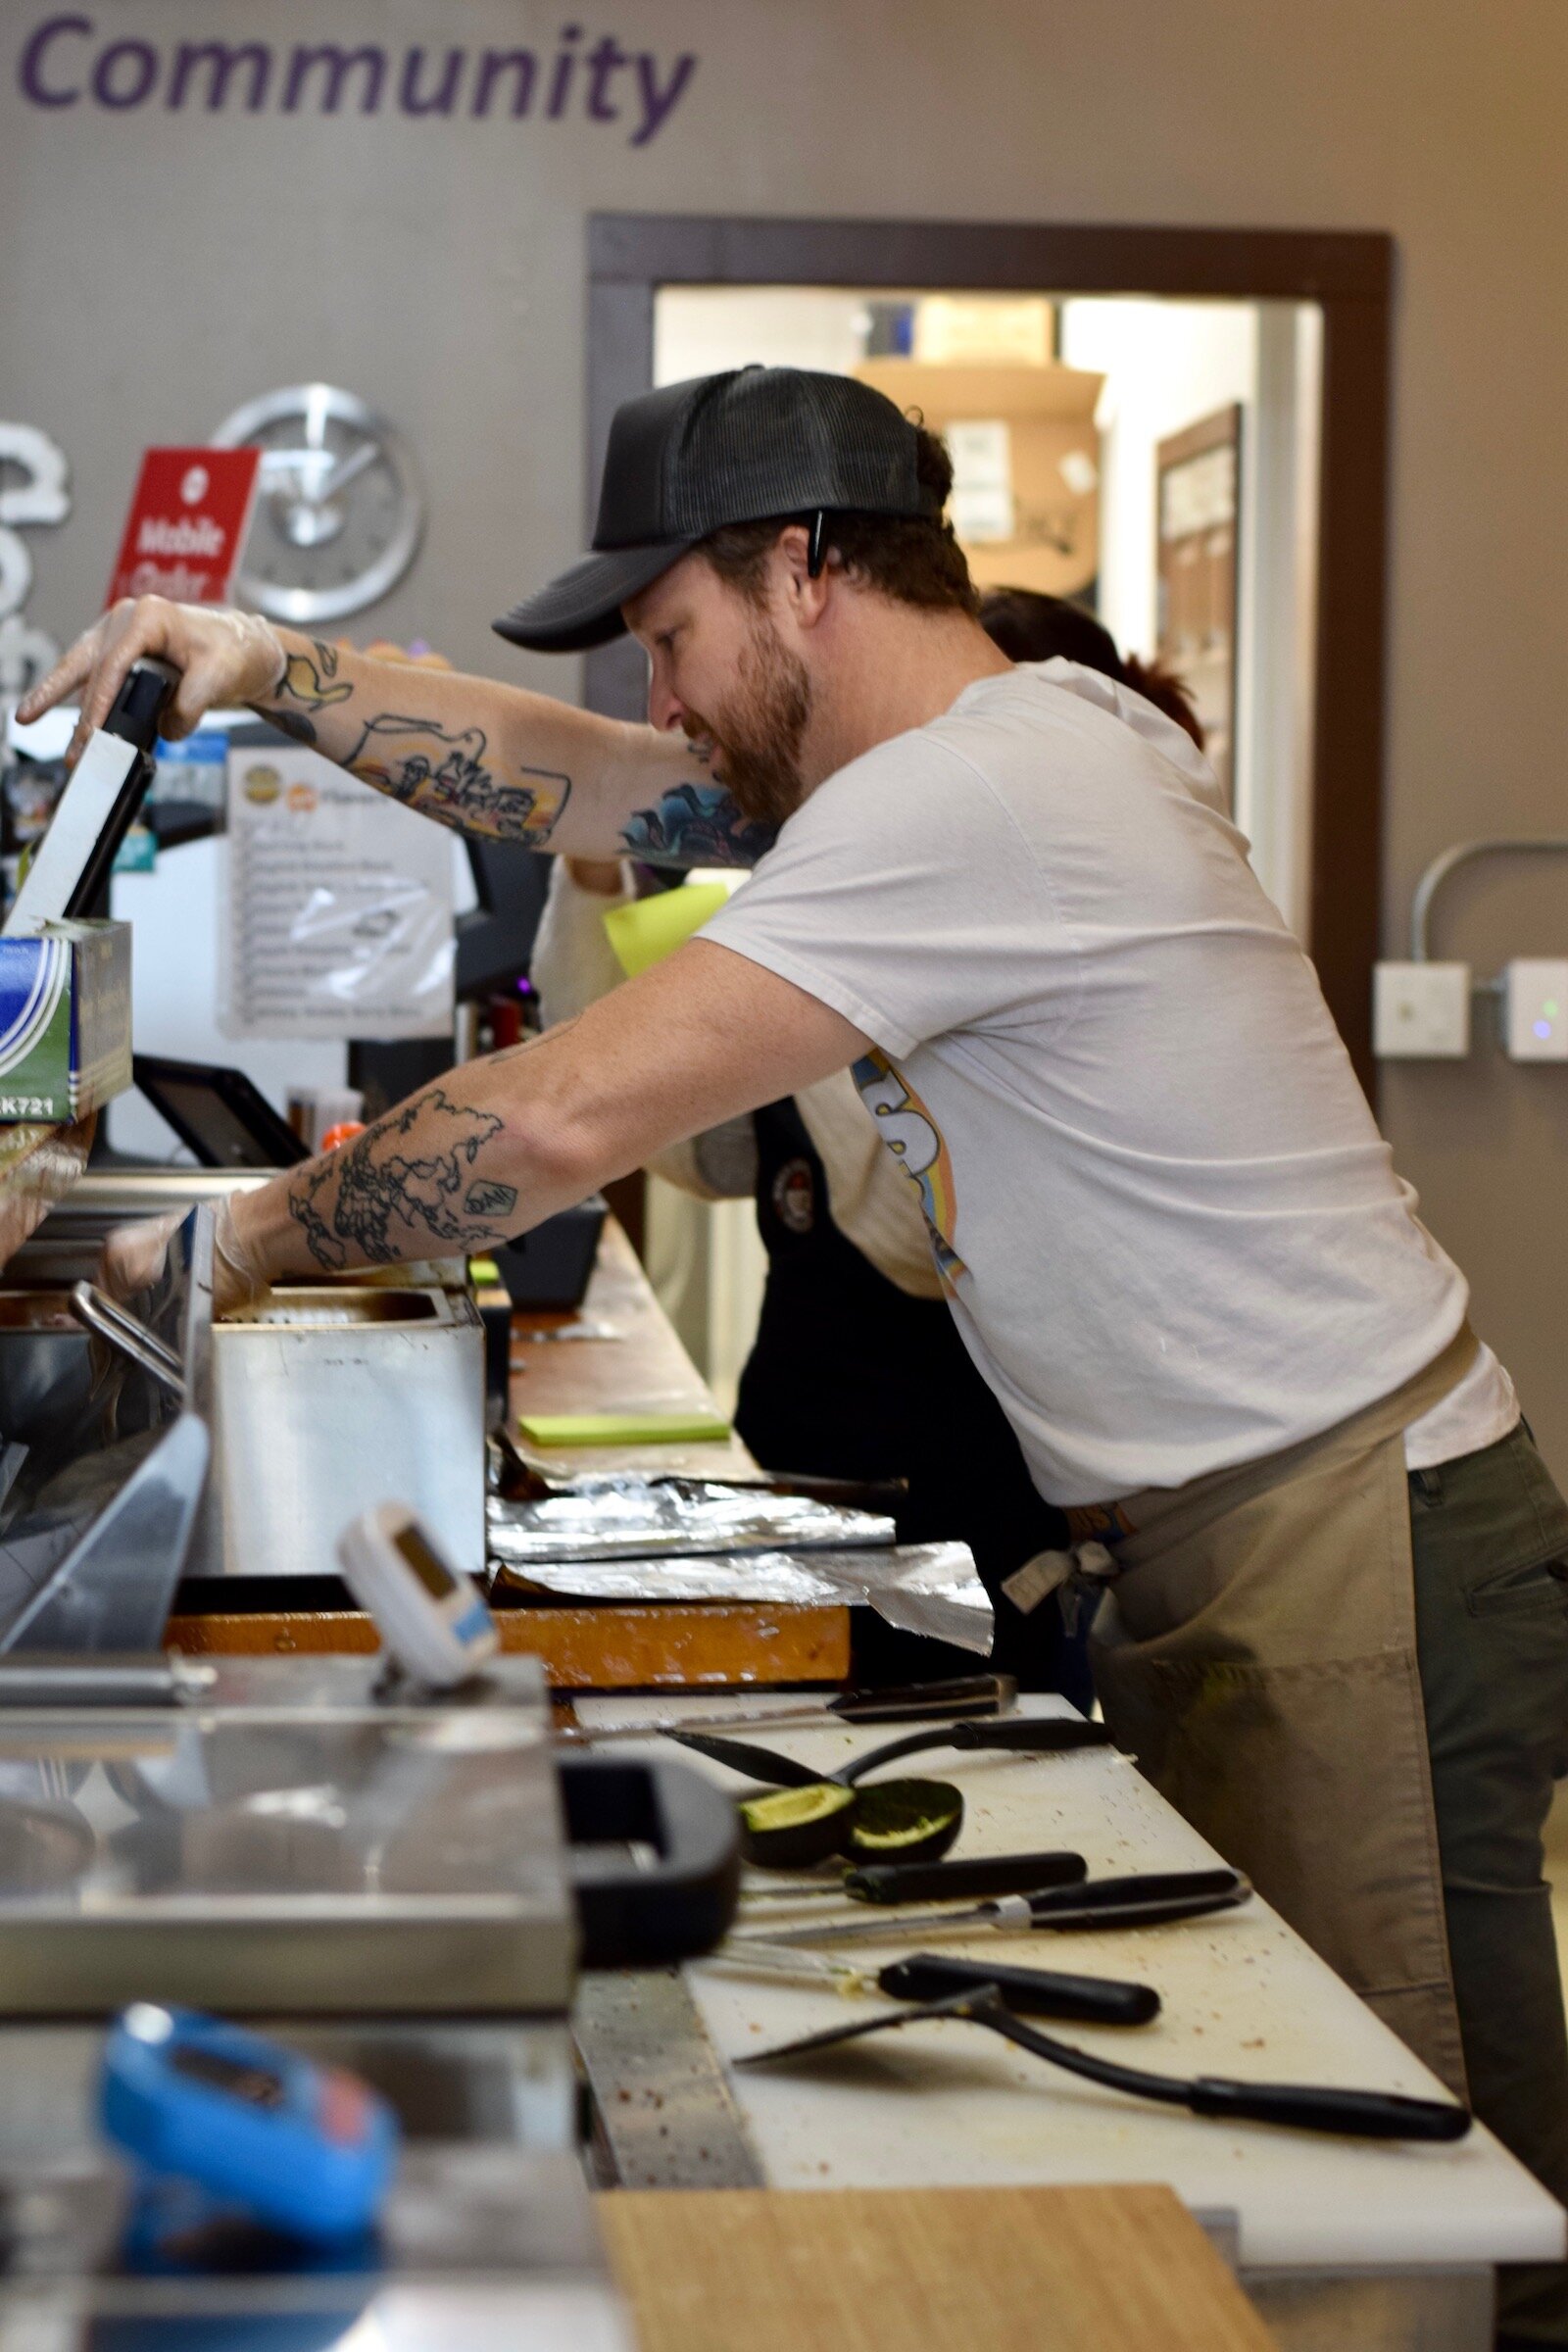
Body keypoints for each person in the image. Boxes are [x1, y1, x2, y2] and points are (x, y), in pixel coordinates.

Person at [24, 367, 1568, 2347]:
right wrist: (260, 668)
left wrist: (197, 1248)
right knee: (1341, 2151)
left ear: (802, 567)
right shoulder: (955, 756)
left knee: (1418, 2197)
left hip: (1349, 1529)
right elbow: (567, 775)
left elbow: (558, 1125)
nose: (660, 697)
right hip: (1253, 1530)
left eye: (672, 634)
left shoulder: (972, 796)